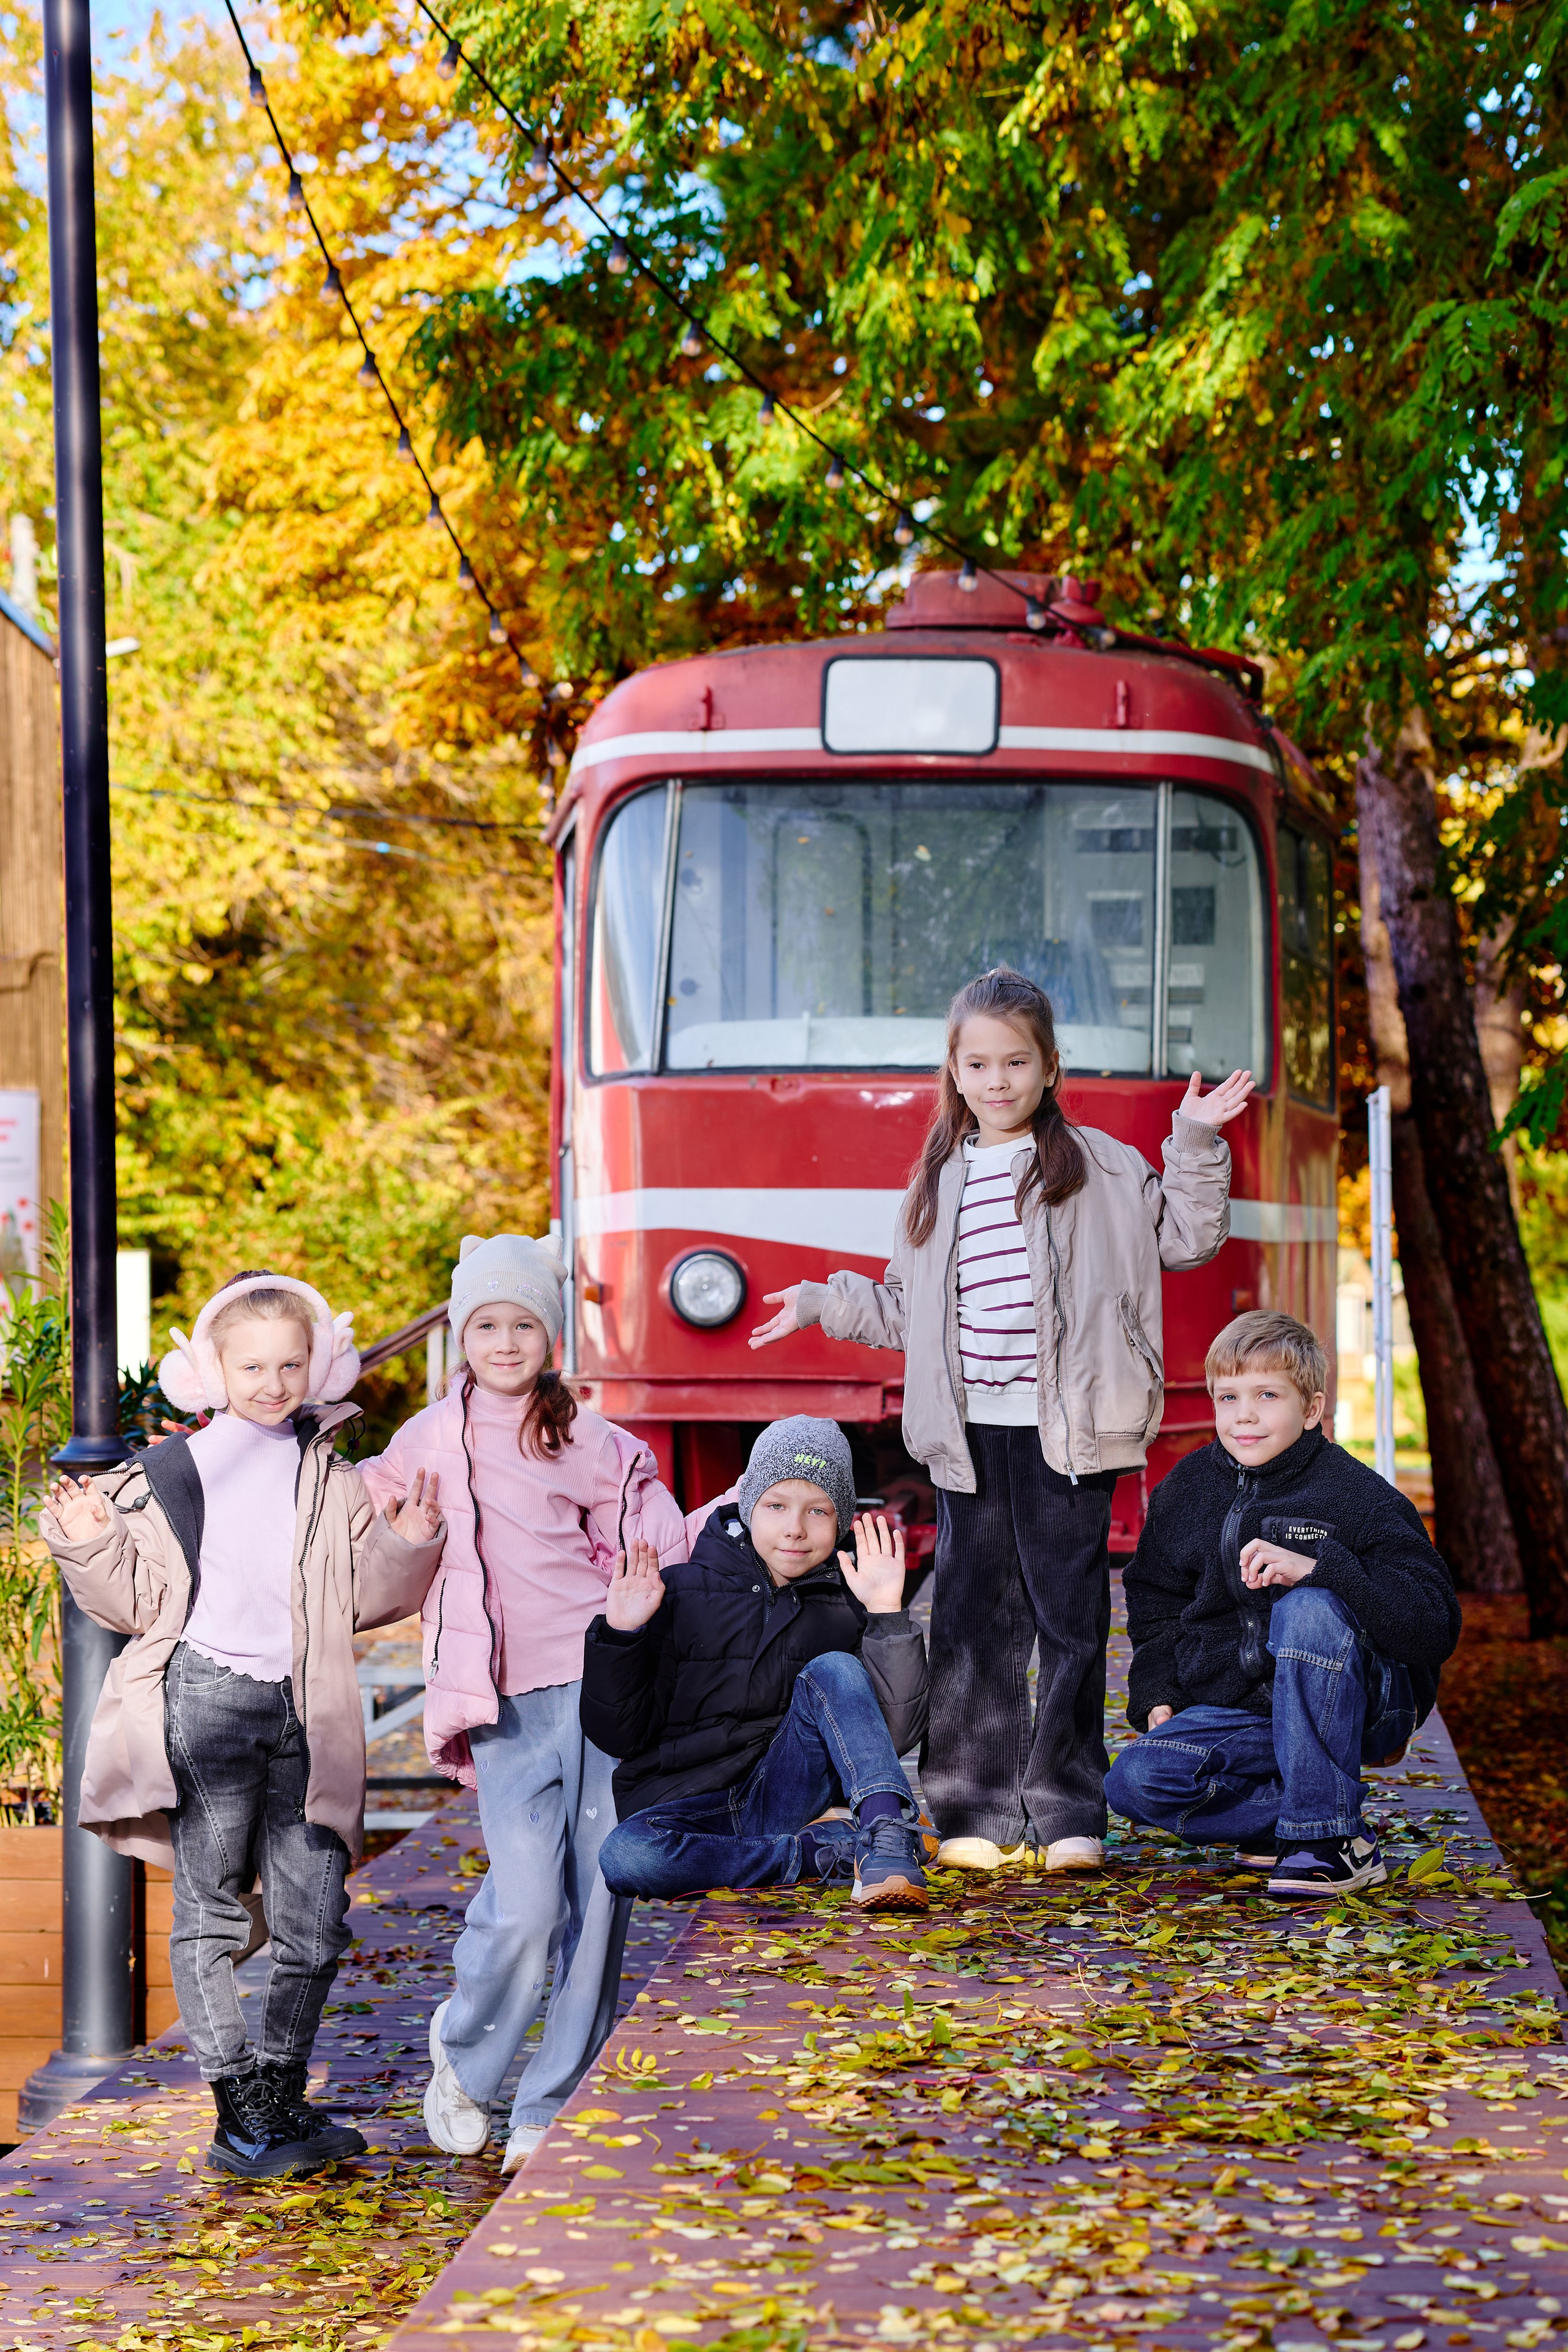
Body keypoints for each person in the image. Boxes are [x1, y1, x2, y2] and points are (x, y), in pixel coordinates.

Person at [750, 966, 1246, 1874]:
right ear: (955, 1069)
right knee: (976, 1623)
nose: (998, 1081)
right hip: (969, 1434)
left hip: (1073, 1430)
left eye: (1016, 1062)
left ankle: (1066, 1812)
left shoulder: (1100, 1166)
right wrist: (826, 1300)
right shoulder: (937, 1179)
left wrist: (1196, 1139)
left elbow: (1187, 1236)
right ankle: (975, 1806)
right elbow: (908, 1308)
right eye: (978, 1064)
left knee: (1069, 1621)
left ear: (1051, 1067)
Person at [40, 1271, 444, 2180]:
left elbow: (360, 1600)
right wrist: (89, 1539)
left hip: (307, 1707)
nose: (273, 1382)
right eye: (252, 1365)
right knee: (214, 1912)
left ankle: (278, 2095)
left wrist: (409, 1540)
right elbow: (131, 1603)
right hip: (209, 1700)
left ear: (319, 1365)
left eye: (291, 1363)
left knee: (317, 1923)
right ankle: (239, 2111)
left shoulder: (330, 1474)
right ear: (212, 1370)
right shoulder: (164, 1474)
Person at [358, 1234, 693, 2179]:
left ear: (550, 1336)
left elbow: (646, 1530)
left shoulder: (588, 1437)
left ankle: (551, 2097)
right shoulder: (428, 1436)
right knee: (527, 1901)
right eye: (486, 1325)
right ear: (463, 1334)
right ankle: (465, 2056)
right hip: (501, 1698)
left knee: (598, 1894)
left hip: (596, 1684)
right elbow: (361, 1511)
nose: (505, 1343)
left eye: (523, 1325)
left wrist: (649, 1583)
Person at [1105, 1309, 1461, 1897]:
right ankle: (1305, 1820)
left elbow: (1433, 1624)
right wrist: (1157, 1691)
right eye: (1228, 1397)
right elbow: (1155, 1600)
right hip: (1240, 1712)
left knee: (1306, 1607)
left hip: (1358, 1704)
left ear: (1312, 1409)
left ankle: (1327, 1843)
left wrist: (1325, 1570)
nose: (1244, 1414)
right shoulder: (1187, 1491)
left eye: (1267, 1395)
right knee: (1135, 1783)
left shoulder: (1356, 1494)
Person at [587, 1417, 932, 1911]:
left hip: (784, 1792)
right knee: (627, 1856)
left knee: (834, 1668)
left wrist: (886, 1615)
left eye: (818, 1511)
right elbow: (618, 1736)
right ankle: (824, 1855)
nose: (795, 1528)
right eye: (776, 1506)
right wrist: (621, 1636)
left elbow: (891, 1735)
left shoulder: (846, 1601)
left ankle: (889, 1841)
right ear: (748, 1507)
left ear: (841, 1522)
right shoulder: (680, 1592)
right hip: (685, 1809)